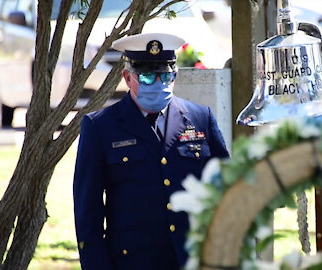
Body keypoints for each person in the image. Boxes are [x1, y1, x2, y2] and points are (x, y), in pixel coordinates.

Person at [73, 32, 230, 270]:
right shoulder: (101, 126)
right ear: (127, 77)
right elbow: (88, 213)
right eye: (147, 77)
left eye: (166, 76)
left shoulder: (200, 118)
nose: (159, 84)